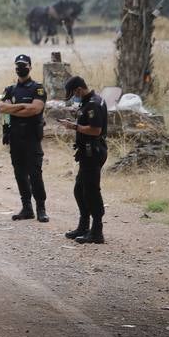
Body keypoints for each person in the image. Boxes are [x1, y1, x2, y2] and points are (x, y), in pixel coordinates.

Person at [0, 53, 49, 222]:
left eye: (24, 65)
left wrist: (14, 108)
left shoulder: (37, 88)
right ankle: (27, 208)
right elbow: (2, 109)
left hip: (32, 137)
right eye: (18, 65)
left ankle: (41, 207)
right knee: (19, 173)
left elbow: (35, 109)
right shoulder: (10, 89)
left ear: (30, 67)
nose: (21, 68)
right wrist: (22, 107)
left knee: (35, 173)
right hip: (15, 136)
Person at [58, 75, 108, 244]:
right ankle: (84, 226)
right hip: (87, 152)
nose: (74, 97)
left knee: (91, 191)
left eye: (73, 94)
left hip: (93, 152)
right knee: (80, 190)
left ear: (79, 89)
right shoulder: (88, 101)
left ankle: (96, 231)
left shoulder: (93, 103)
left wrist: (73, 126)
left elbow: (95, 130)